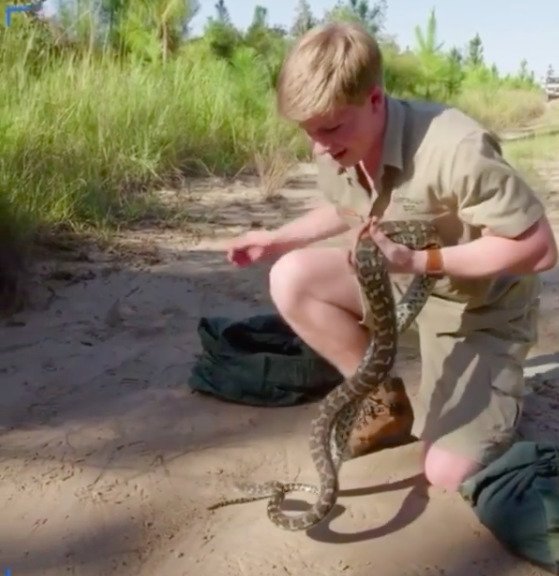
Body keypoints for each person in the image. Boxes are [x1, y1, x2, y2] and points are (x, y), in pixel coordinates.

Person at [225, 21, 558, 492]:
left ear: (375, 99)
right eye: (308, 132)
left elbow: (539, 248)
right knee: (291, 277)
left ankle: (501, 397)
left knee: (446, 472)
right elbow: (348, 205)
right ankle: (379, 399)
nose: (319, 146)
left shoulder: (456, 148)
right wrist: (276, 239)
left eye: (331, 128)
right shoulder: (335, 140)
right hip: (404, 280)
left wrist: (422, 263)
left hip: (477, 309)